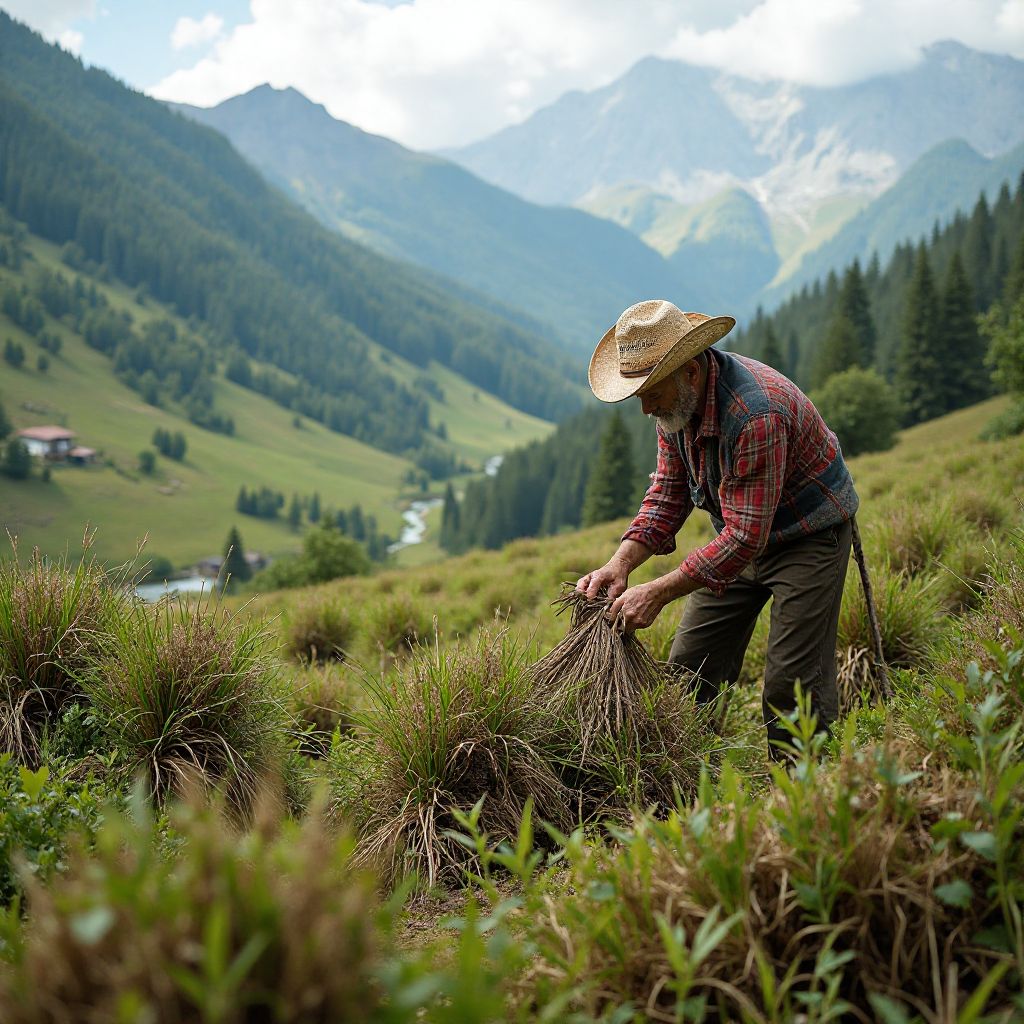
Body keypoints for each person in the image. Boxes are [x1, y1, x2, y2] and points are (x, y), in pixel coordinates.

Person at [576, 299, 859, 759]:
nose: (645, 407)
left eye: (652, 392)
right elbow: (668, 493)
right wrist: (620, 563)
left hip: (809, 536)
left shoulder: (755, 413)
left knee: (791, 686)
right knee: (689, 671)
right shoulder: (676, 408)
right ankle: (683, 784)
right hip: (740, 537)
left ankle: (808, 797)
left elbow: (748, 536)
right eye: (638, 393)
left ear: (689, 371)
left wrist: (659, 591)